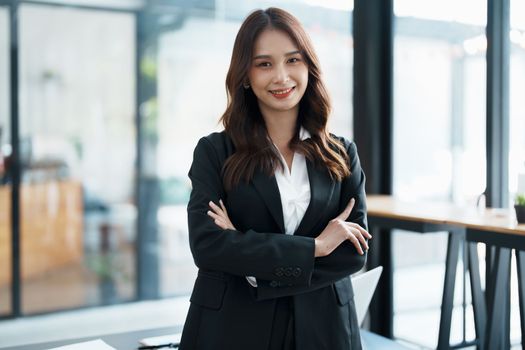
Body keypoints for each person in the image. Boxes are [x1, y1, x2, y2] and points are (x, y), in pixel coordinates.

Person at [179, 7, 371, 350]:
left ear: (309, 67)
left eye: (293, 60)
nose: (281, 76)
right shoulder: (215, 152)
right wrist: (316, 247)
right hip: (235, 328)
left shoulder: (342, 154)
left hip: (325, 329)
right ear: (244, 75)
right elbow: (208, 246)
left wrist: (245, 252)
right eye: (264, 64)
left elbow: (354, 255)